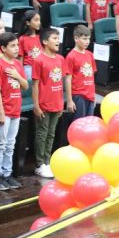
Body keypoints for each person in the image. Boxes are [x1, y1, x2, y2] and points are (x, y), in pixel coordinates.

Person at [0, 32, 26, 190]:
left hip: (16, 110)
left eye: (17, 45)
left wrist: (18, 76)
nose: (17, 48)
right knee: (0, 144)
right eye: (13, 45)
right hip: (3, 111)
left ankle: (7, 173)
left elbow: (25, 85)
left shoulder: (17, 64)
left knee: (10, 144)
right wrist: (1, 112)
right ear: (3, 48)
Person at [31, 28, 65, 179]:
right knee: (42, 134)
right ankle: (39, 164)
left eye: (58, 38)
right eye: (54, 38)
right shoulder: (39, 60)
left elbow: (60, 82)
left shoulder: (60, 59)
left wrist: (61, 102)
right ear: (45, 42)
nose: (58, 41)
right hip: (44, 104)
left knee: (51, 134)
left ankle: (47, 161)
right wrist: (36, 106)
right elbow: (35, 85)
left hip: (56, 103)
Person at [65, 24, 95, 118]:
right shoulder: (71, 56)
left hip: (90, 94)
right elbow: (68, 79)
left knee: (89, 123)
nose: (87, 42)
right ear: (76, 38)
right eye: (84, 39)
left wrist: (93, 95)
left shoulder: (90, 54)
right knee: (79, 123)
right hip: (78, 95)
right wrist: (69, 100)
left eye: (88, 39)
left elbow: (92, 75)